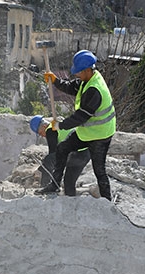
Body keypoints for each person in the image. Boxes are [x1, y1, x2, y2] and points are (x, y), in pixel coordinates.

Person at [37, 50, 116, 201]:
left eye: (78, 72)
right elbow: (72, 87)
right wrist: (55, 80)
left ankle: (107, 202)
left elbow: (80, 117)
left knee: (99, 170)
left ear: (87, 70)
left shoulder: (95, 89)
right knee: (63, 148)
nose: (76, 75)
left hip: (100, 135)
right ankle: (54, 184)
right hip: (88, 132)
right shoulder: (87, 80)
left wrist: (60, 125)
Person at [29, 115, 90, 197]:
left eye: (40, 133)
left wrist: (42, 169)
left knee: (48, 159)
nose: (42, 136)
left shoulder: (50, 130)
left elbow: (52, 155)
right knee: (69, 182)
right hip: (85, 152)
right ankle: (71, 201)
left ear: (44, 126)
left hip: (76, 152)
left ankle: (46, 187)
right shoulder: (57, 124)